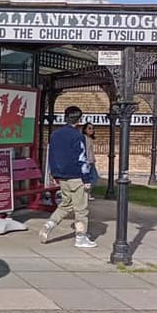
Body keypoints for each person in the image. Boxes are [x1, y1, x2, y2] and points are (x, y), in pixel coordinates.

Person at [39, 106, 97, 248]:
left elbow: (52, 156)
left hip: (62, 176)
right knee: (81, 209)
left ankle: (48, 225)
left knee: (66, 204)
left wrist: (54, 174)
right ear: (79, 120)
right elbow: (82, 159)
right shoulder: (78, 136)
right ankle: (80, 238)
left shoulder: (55, 135)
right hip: (76, 177)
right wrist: (87, 179)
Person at [81, 122, 98, 200]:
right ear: (85, 129)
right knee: (93, 178)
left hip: (91, 162)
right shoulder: (84, 138)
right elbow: (86, 151)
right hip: (87, 162)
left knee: (91, 178)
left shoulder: (90, 139)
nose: (92, 130)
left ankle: (87, 193)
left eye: (93, 128)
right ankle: (86, 194)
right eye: (89, 128)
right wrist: (86, 161)